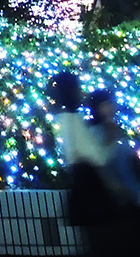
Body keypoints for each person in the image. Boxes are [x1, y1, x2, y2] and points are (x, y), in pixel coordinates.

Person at [48, 72, 116, 255]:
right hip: (93, 189)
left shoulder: (61, 120)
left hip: (80, 187)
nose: (81, 93)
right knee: (103, 243)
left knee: (96, 243)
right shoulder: (75, 120)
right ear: (72, 91)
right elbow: (98, 157)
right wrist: (111, 134)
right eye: (78, 88)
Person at [87, 90, 140, 254]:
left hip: (130, 201)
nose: (111, 107)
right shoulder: (95, 134)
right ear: (97, 108)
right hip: (114, 207)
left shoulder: (117, 131)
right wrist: (117, 188)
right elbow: (98, 165)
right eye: (106, 104)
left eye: (111, 103)